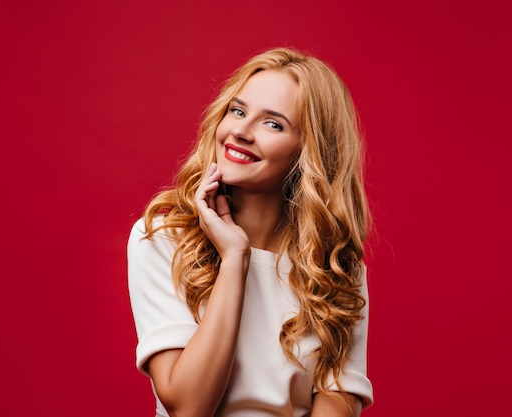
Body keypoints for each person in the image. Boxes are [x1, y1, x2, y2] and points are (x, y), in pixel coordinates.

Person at [128, 47, 373, 417]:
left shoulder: (337, 266)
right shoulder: (162, 237)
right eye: (237, 111)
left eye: (272, 124)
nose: (240, 131)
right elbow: (188, 408)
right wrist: (234, 259)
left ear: (308, 152)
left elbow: (338, 402)